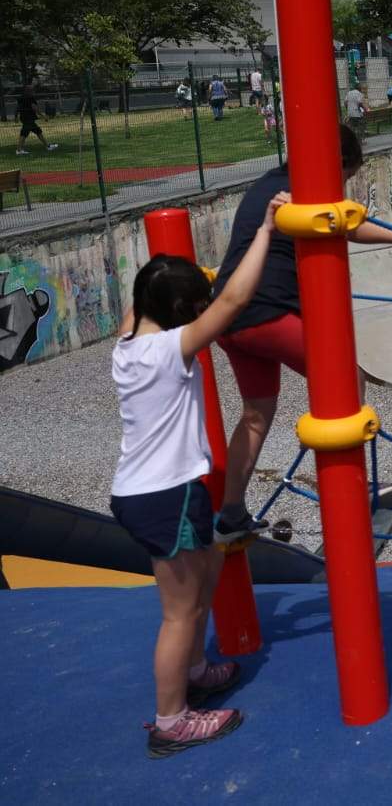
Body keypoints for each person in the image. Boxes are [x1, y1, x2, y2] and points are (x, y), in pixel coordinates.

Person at [111, 187, 288, 757]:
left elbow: (149, 291)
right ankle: (171, 721)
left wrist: (181, 280)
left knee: (207, 567)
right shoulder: (171, 351)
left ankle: (193, 669)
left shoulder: (127, 344)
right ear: (185, 312)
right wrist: (265, 230)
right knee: (181, 612)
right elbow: (234, 301)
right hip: (164, 494)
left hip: (151, 492)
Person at [210, 126, 392, 541]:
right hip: (266, 312)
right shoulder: (303, 192)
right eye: (346, 176)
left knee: (255, 414)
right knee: (346, 377)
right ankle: (349, 485)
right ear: (334, 165)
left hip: (229, 316)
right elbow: (349, 227)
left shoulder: (269, 184)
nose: (342, 187)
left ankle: (230, 513)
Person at [14, 86, 57, 155]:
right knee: (24, 134)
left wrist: (16, 116)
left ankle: (47, 146)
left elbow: (17, 108)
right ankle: (19, 150)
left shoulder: (21, 98)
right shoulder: (31, 98)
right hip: (29, 118)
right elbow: (35, 108)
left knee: (38, 131)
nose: (33, 92)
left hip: (24, 118)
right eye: (33, 91)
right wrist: (43, 116)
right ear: (30, 91)